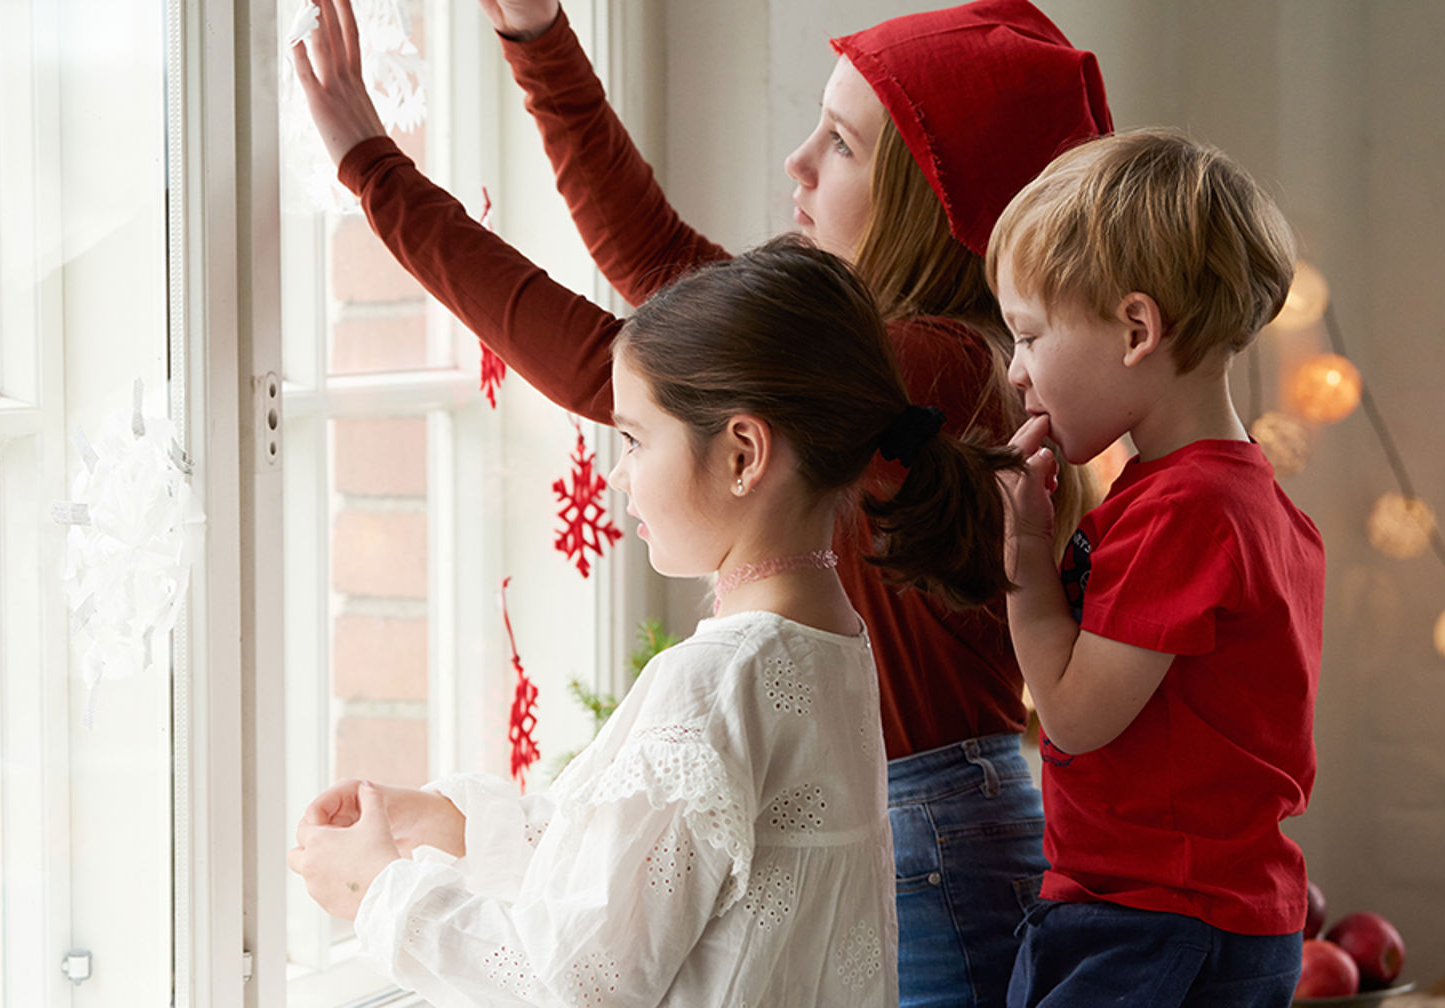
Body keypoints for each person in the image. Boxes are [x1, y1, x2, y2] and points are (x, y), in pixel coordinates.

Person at [291, 1, 1112, 1000]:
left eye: (842, 144)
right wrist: (540, 36)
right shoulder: (884, 376)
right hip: (931, 825)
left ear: (939, 198)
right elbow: (661, 272)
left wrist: (375, 169)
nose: (797, 164)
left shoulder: (936, 367)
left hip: (933, 845)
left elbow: (634, 361)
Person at [288, 236, 1026, 1007]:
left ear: (743, 454)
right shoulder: (831, 642)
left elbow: (575, 980)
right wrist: (452, 824)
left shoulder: (716, 683)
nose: (616, 473)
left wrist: (379, 893)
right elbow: (653, 864)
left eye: (636, 439)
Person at [988, 127, 1324, 1007]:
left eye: (1026, 336)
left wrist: (1024, 558)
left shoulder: (1187, 513)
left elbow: (1073, 717)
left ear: (1136, 328)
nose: (1017, 373)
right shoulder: (1234, 500)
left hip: (1156, 924)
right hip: (1187, 916)